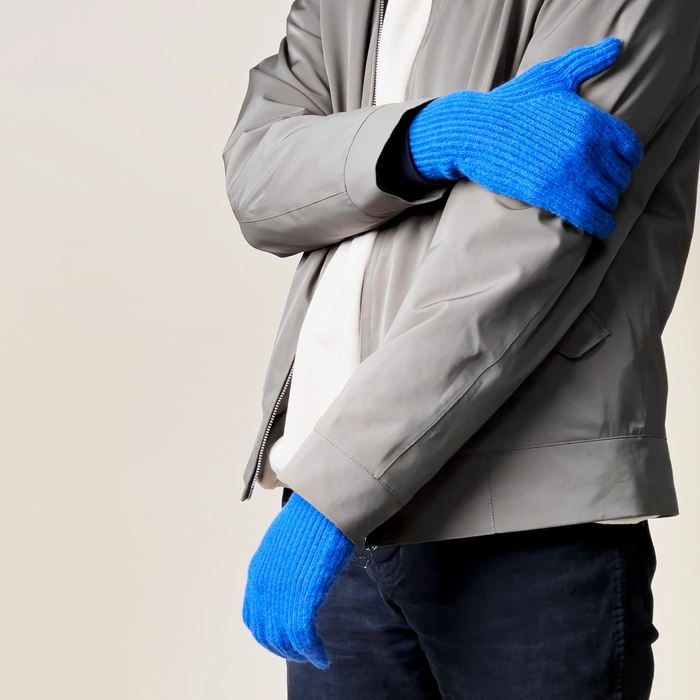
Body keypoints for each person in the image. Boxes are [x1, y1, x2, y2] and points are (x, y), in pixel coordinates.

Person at [222, 0, 700, 697]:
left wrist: (331, 495)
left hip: (526, 523)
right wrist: (424, 136)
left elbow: (514, 260)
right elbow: (256, 183)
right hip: (340, 528)